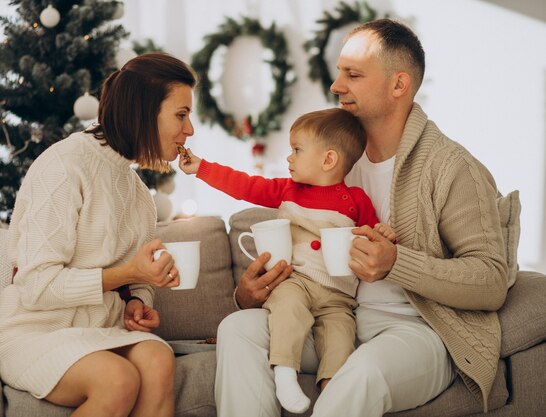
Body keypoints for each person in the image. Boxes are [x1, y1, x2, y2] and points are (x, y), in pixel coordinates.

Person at [214, 18, 508, 417]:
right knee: (237, 329)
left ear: (398, 85)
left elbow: (490, 281)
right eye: (339, 73)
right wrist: (249, 295)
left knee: (363, 372)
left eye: (352, 74)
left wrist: (396, 263)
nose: (336, 86)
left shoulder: (452, 167)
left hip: (417, 332)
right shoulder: (334, 160)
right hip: (336, 319)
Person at [0, 52, 197, 417]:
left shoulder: (137, 194)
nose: (190, 130)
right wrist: (130, 274)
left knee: (158, 357)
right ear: (145, 112)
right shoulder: (65, 165)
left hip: (100, 332)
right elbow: (36, 286)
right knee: (116, 379)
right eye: (181, 115)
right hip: (36, 333)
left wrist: (138, 302)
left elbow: (138, 279)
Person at [179, 108, 395, 413]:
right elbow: (244, 185)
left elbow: (372, 237)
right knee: (288, 309)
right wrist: (202, 167)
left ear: (328, 159)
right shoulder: (287, 191)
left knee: (341, 336)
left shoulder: (356, 200)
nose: (289, 157)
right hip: (296, 281)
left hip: (339, 297)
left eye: (297, 149)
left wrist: (383, 234)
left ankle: (332, 390)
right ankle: (284, 371)